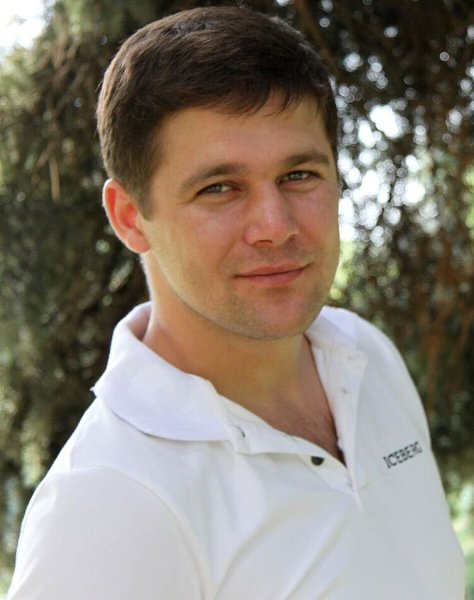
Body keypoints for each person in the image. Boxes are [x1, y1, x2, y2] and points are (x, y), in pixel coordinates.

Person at [7, 6, 465, 599]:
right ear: (130, 217)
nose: (275, 226)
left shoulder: (364, 356)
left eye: (299, 175)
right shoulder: (107, 502)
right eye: (219, 188)